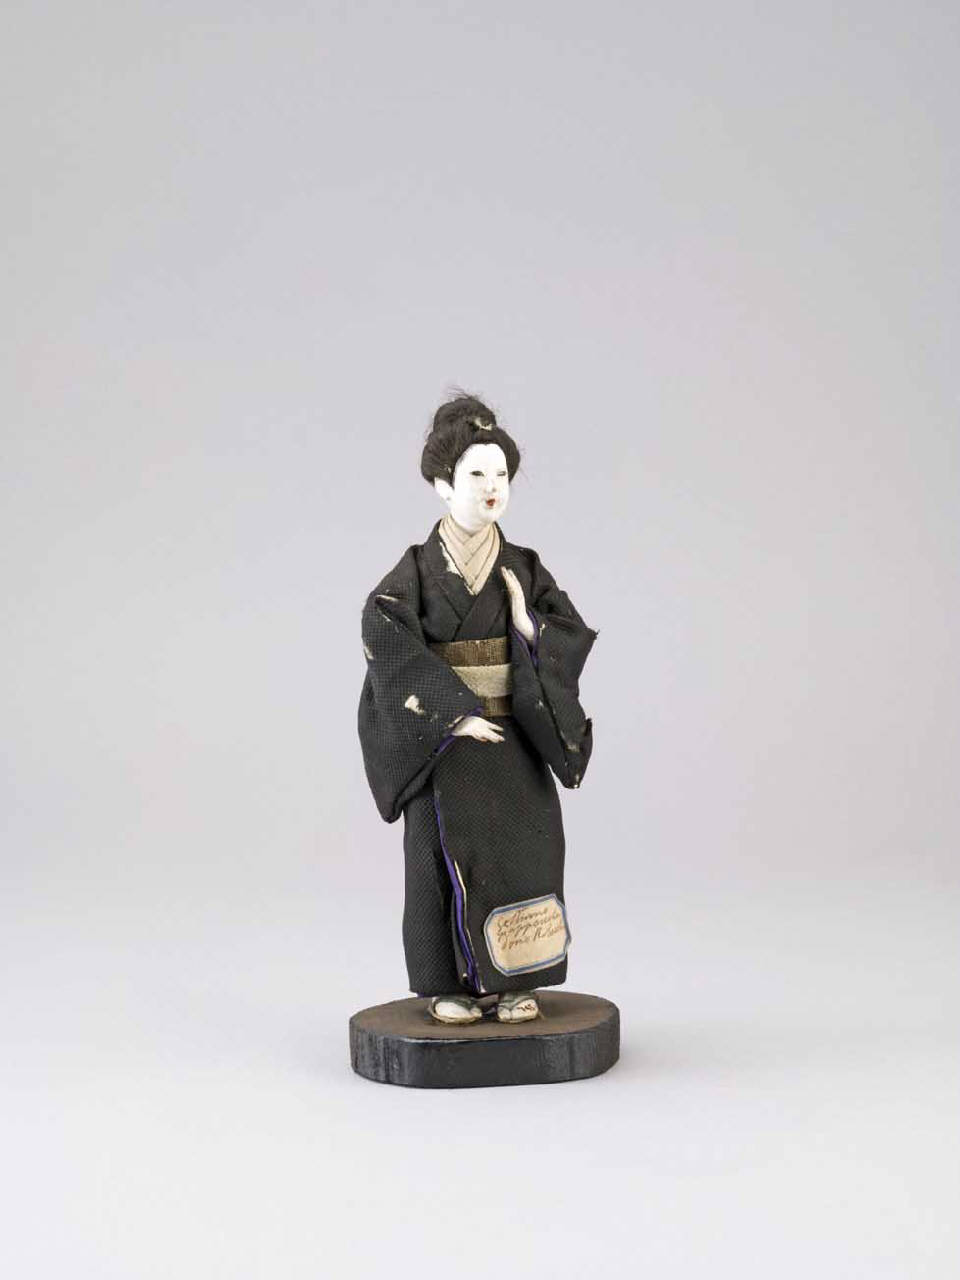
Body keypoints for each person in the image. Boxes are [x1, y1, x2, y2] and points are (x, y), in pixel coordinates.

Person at [357, 395, 597, 1024]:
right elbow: (384, 634)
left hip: (513, 742)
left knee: (525, 855)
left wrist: (527, 626)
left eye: (502, 475)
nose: (493, 488)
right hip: (444, 748)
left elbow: (565, 632)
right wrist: (451, 712)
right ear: (442, 485)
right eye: (476, 475)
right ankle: (449, 986)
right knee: (436, 866)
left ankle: (519, 982)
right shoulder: (415, 571)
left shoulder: (521, 567)